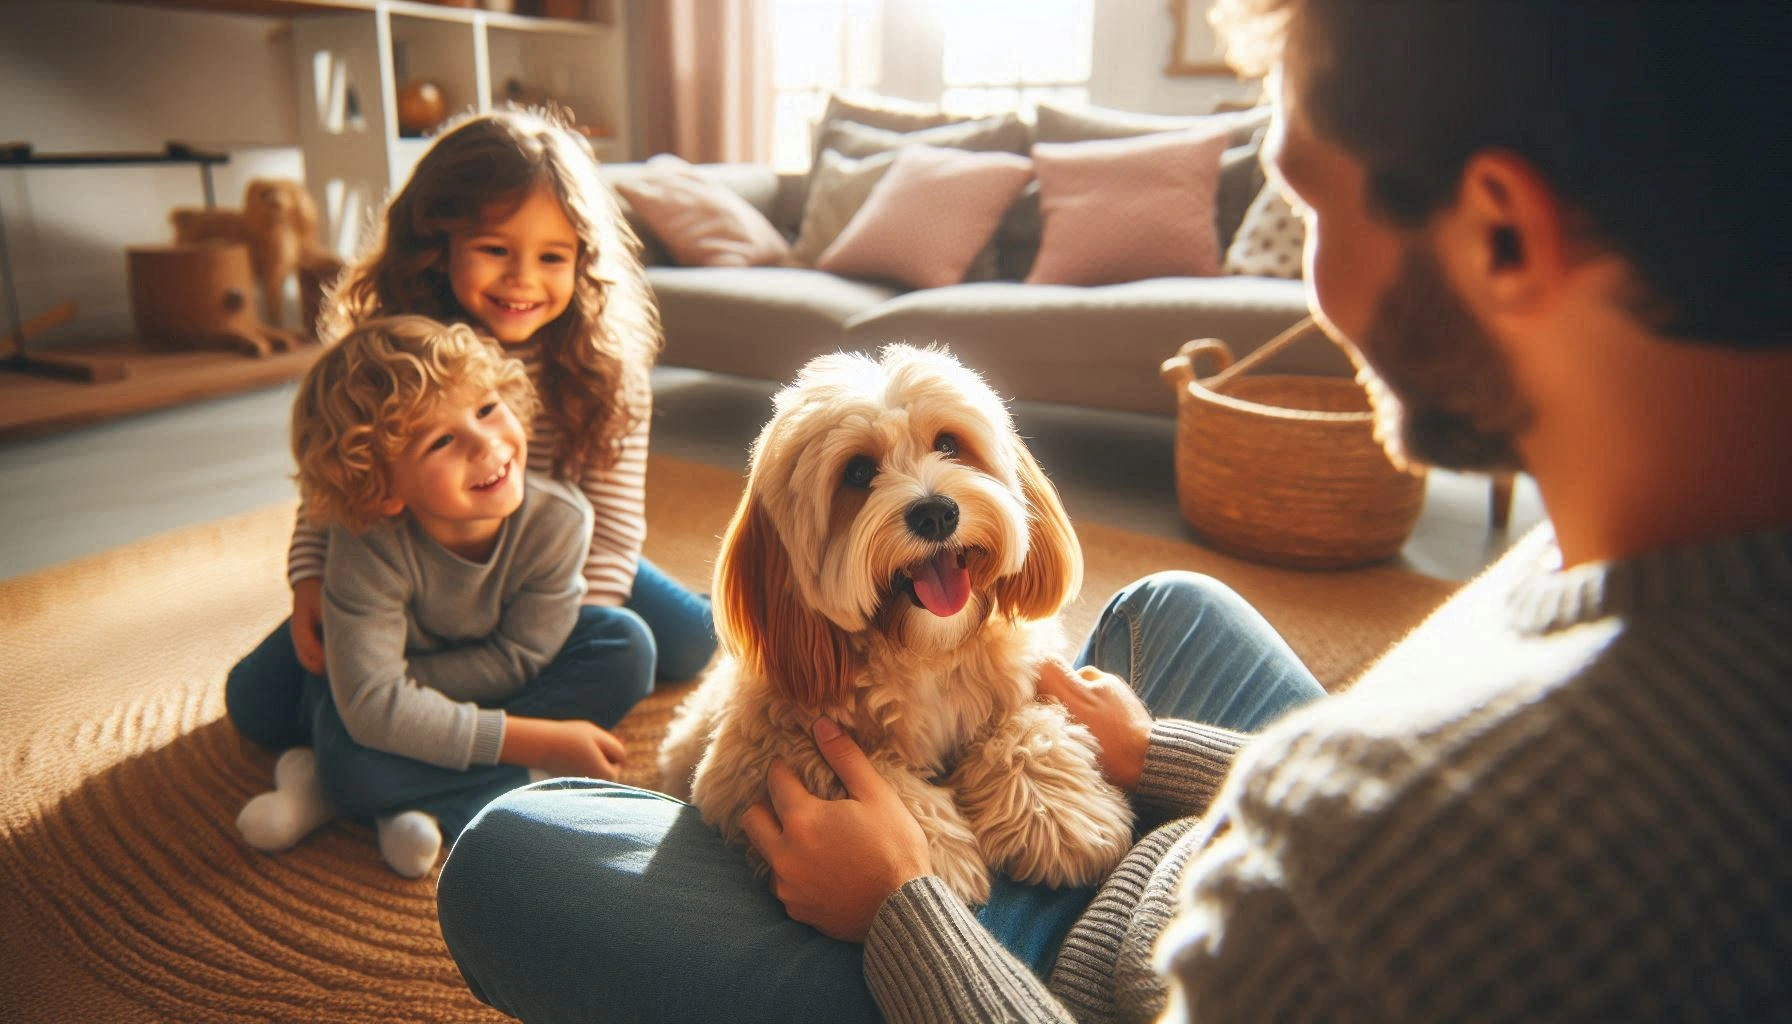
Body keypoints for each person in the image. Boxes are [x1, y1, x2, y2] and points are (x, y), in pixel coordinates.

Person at [436, 1, 1792, 1020]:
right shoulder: (1638, 535)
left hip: (1054, 966)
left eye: (1305, 198)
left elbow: (1325, 869)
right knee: (1166, 606)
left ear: (1504, 231)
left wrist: (901, 904)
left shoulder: (1353, 874)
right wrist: (1165, 763)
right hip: (1186, 830)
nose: (1311, 285)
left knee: (511, 851)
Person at [227, 109, 715, 804]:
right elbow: (334, 479)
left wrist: (548, 640)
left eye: (553, 256)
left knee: (685, 643)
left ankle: (397, 743)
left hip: (558, 559)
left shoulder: (608, 369)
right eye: (494, 248)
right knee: (257, 702)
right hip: (417, 565)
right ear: (433, 244)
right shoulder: (393, 349)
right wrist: (310, 577)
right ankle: (402, 732)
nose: (523, 279)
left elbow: (610, 527)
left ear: (584, 261)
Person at [235, 316, 647, 876]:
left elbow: (521, 658)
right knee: (261, 706)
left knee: (626, 646)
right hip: (378, 664)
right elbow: (376, 702)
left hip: (439, 674)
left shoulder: (560, 520)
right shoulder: (368, 545)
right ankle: (443, 788)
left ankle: (365, 786)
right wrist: (537, 743)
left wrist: (386, 697)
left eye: (485, 409)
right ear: (382, 489)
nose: (486, 444)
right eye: (441, 441)